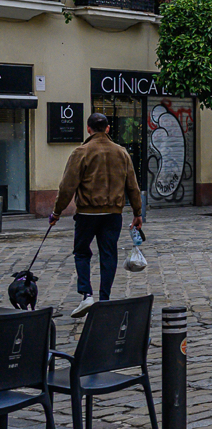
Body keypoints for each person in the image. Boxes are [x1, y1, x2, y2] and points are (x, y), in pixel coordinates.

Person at [50, 112, 143, 318]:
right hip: (113, 213)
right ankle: (105, 299)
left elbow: (67, 186)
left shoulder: (80, 152)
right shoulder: (122, 153)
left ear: (88, 129)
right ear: (108, 128)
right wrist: (137, 213)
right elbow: (133, 186)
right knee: (109, 255)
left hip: (87, 213)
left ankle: (86, 295)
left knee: (82, 252)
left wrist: (56, 212)